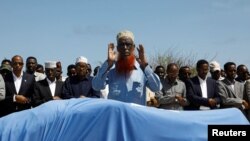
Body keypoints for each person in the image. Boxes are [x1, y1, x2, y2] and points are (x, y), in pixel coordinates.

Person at [92, 30, 162, 105]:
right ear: (118, 48)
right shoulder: (111, 70)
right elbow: (96, 86)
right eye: (122, 45)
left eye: (128, 44)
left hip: (135, 115)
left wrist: (145, 66)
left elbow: (156, 88)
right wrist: (108, 64)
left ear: (133, 47)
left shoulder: (142, 70)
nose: (125, 48)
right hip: (117, 114)